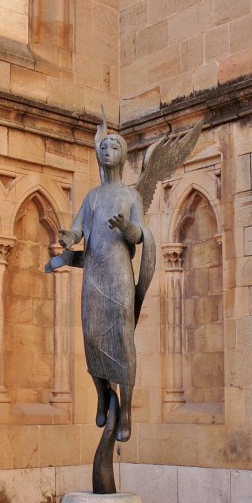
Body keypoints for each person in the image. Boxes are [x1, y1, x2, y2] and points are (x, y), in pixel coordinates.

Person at [56, 130, 154, 442]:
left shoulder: (130, 196)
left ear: (123, 155)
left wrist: (126, 227)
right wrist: (69, 238)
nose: (108, 150)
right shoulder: (93, 197)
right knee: (92, 338)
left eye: (114, 146)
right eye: (104, 146)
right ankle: (102, 394)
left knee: (123, 342)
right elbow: (78, 228)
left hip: (119, 276)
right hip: (94, 275)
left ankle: (125, 411)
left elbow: (140, 235)